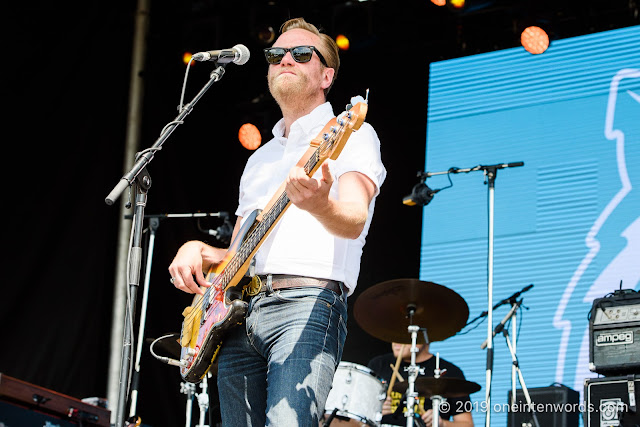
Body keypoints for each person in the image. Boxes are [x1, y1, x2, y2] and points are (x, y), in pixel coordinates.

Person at [168, 17, 386, 427]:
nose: (285, 59)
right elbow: (237, 254)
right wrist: (197, 250)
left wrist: (321, 205)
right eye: (276, 54)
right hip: (238, 311)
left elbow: (355, 219)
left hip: (306, 303)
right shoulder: (259, 159)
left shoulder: (353, 134)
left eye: (301, 54)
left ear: (326, 75)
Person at [367, 342, 474, 427]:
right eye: (395, 334)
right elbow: (356, 418)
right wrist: (374, 412)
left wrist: (442, 424)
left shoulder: (450, 372)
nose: (397, 341)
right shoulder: (379, 365)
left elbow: (467, 424)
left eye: (405, 336)